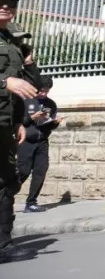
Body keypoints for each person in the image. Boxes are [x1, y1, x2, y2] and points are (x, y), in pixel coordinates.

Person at [0, 0, 38, 263]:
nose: (6, 6)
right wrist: (4, 82)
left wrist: (18, 122)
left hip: (5, 123)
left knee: (6, 182)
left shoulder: (11, 41)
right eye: (0, 1)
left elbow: (23, 86)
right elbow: (10, 82)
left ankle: (3, 245)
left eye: (11, 2)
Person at [18, 74, 60, 213]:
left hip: (42, 141)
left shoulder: (51, 104)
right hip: (26, 141)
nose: (43, 93)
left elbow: (48, 125)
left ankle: (31, 203)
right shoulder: (26, 101)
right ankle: (5, 197)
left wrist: (55, 123)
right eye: (41, 90)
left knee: (40, 172)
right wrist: (32, 117)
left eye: (46, 90)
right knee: (23, 171)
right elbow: (19, 122)